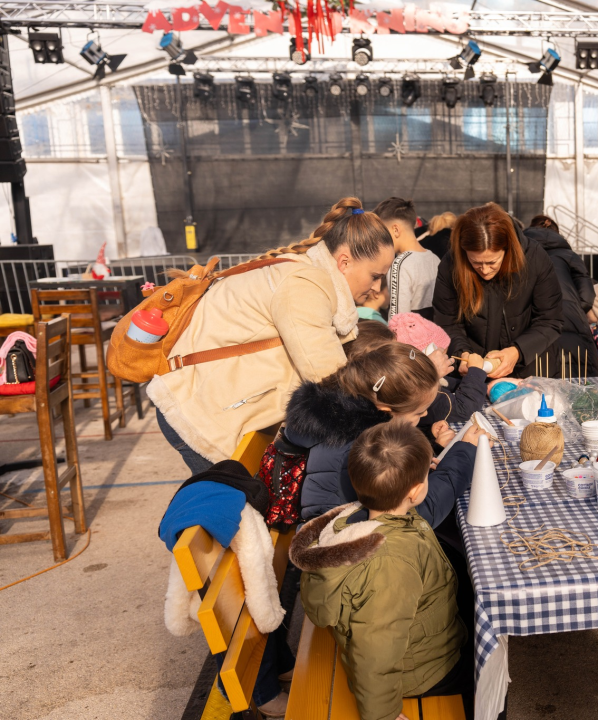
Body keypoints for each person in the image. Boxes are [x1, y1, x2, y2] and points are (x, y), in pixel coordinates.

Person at [149, 199, 394, 474]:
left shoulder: (302, 273)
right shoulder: (303, 285)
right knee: (229, 507)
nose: (376, 288)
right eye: (375, 276)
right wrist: (386, 431)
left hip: (211, 403)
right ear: (345, 262)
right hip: (200, 413)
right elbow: (328, 377)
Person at [291, 421, 478, 720]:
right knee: (490, 669)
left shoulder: (354, 515)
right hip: (418, 672)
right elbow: (376, 650)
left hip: (413, 650)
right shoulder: (390, 563)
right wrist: (383, 715)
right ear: (416, 491)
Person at [286, 335, 475, 522]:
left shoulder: (345, 418)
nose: (425, 416)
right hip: (349, 541)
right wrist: (464, 455)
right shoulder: (371, 451)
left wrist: (430, 441)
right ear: (386, 410)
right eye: (419, 413)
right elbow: (409, 519)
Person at [432, 202, 563, 380]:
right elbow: (447, 321)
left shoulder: (534, 258)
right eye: (476, 262)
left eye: (492, 262)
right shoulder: (451, 264)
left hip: (531, 371)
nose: (484, 270)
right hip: (475, 375)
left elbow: (550, 320)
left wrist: (518, 351)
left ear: (507, 249)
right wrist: (462, 353)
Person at [524, 214, 598, 378]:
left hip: (534, 322)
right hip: (572, 318)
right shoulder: (569, 255)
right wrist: (573, 309)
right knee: (579, 381)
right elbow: (587, 295)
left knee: (539, 383)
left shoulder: (523, 254)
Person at [374, 197, 441, 319]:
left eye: (381, 234)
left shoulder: (400, 265)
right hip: (436, 335)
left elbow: (398, 321)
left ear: (395, 230)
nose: (380, 240)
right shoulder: (435, 259)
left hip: (412, 337)